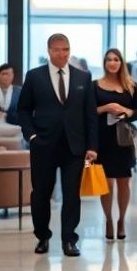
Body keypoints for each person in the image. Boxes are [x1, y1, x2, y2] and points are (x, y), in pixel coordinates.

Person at [16, 33, 98, 257]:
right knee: (41, 194)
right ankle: (42, 236)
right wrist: (31, 136)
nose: (62, 54)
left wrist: (92, 146)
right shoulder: (35, 76)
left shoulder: (83, 77)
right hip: (43, 145)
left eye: (66, 49)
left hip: (75, 147)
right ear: (49, 51)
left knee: (72, 195)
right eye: (57, 49)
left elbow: (90, 114)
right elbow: (23, 109)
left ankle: (69, 240)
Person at [94, 49, 137, 242]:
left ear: (121, 63)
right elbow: (87, 111)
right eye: (109, 60)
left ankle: (121, 219)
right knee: (106, 182)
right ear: (104, 63)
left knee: (124, 181)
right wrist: (106, 108)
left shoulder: (131, 85)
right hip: (102, 139)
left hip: (123, 139)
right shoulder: (95, 86)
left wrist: (125, 111)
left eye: (116, 59)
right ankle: (108, 219)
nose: (112, 63)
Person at [0, 63, 21, 133]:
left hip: (14, 129)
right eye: (3, 74)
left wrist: (8, 115)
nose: (6, 77)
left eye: (9, 74)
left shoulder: (20, 92)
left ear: (13, 76)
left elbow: (24, 112)